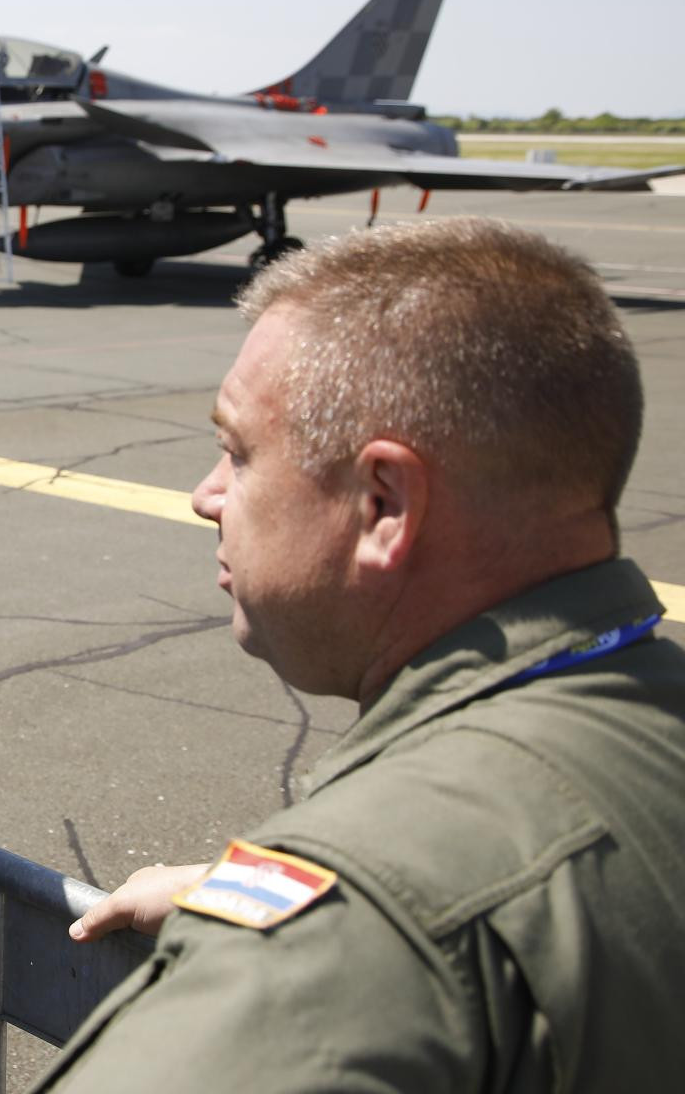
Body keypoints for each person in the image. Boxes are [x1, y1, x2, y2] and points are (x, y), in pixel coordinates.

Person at [36, 219, 685, 1090]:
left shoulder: (332, 951)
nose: (205, 496)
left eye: (237, 452)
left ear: (384, 504)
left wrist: (338, 911)